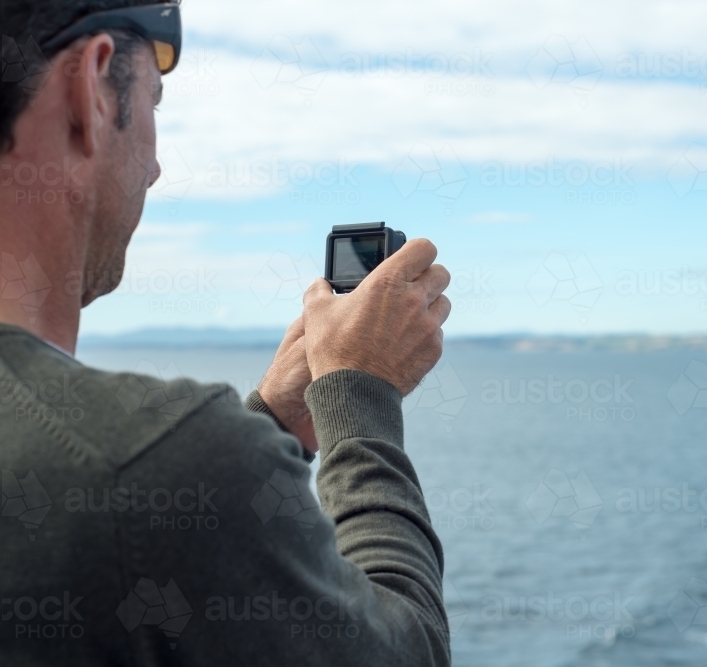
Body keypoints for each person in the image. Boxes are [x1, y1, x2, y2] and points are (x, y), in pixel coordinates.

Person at [0, 1, 452, 664]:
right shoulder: (151, 460)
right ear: (90, 88)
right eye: (155, 101)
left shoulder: (148, 463)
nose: (155, 168)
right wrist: (361, 400)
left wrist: (266, 427)